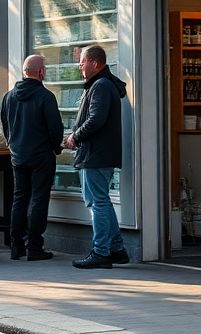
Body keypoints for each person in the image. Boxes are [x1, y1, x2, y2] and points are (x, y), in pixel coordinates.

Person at [66, 44, 129, 269]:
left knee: (97, 203)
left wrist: (75, 137)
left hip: (95, 154)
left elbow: (95, 120)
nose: (80, 67)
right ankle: (117, 249)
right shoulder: (103, 84)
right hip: (99, 153)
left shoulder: (100, 86)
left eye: (82, 63)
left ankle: (101, 252)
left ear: (94, 63)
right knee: (102, 201)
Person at [0, 53, 64, 262]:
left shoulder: (9, 97)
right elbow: (55, 128)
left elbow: (6, 127)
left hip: (18, 156)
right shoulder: (45, 97)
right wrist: (56, 148)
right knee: (38, 199)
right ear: (41, 72)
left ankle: (16, 245)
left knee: (19, 198)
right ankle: (34, 247)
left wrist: (13, 145)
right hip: (41, 156)